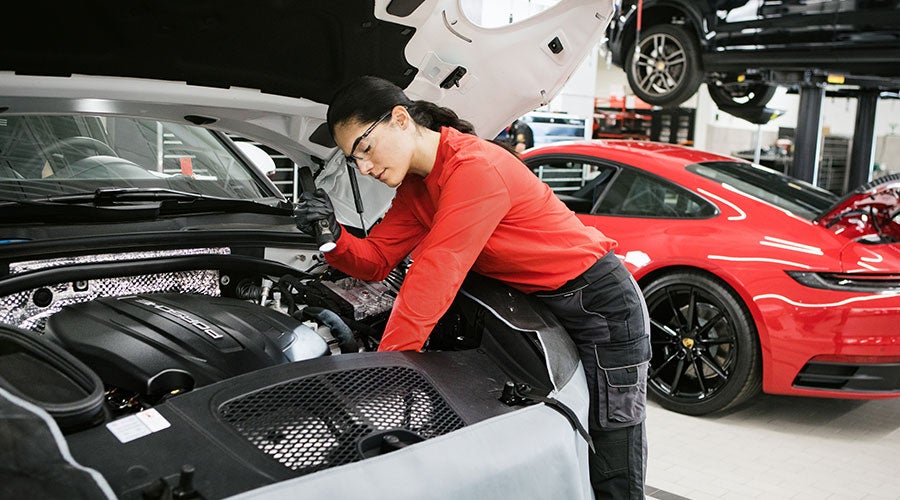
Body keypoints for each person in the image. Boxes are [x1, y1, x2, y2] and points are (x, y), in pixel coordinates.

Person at [294, 75, 650, 499]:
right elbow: (375, 261)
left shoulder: (474, 168)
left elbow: (436, 273)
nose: (365, 168)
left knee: (612, 445)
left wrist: (382, 372)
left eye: (366, 149)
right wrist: (332, 236)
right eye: (354, 161)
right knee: (568, 441)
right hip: (537, 311)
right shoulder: (416, 188)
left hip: (600, 306)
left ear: (401, 119)